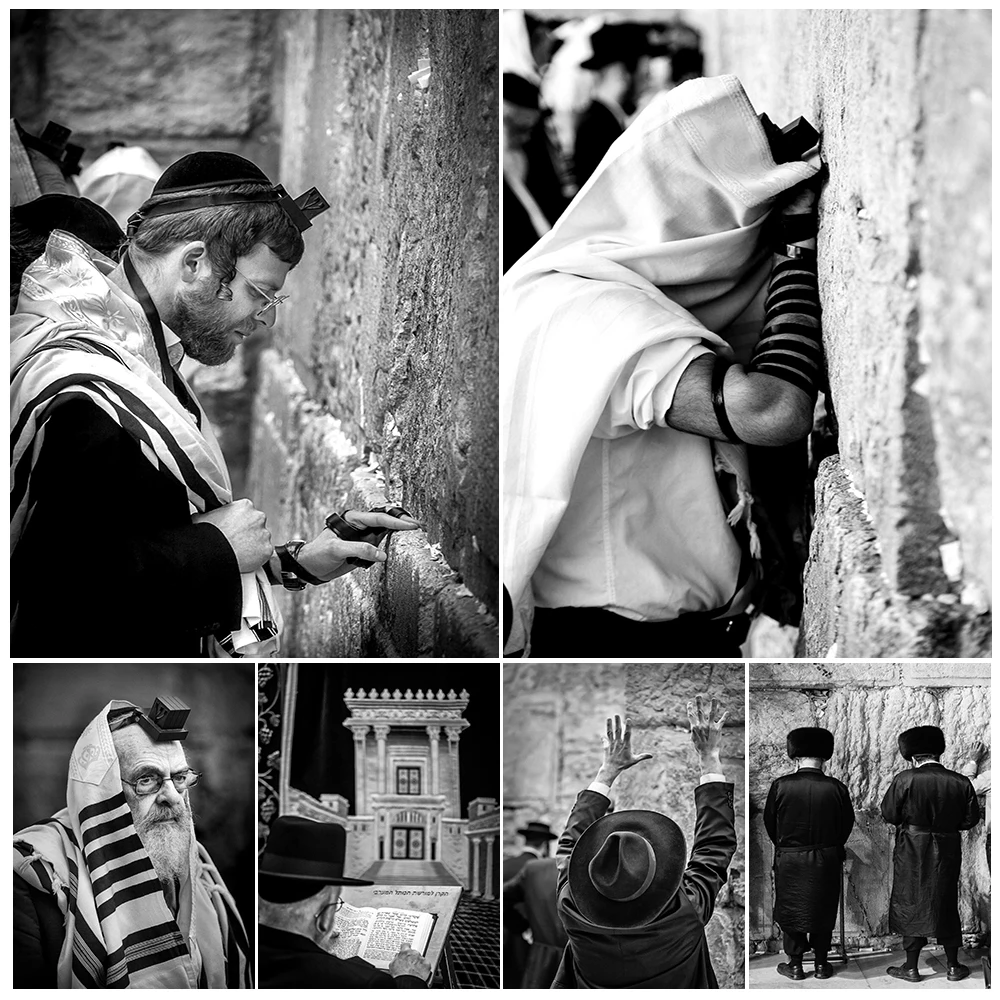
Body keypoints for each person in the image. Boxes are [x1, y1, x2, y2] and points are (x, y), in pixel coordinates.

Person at [11, 150, 420, 657]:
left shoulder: (133, 351)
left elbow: (136, 543)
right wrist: (217, 550)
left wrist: (292, 562)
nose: (265, 320)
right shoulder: (84, 394)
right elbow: (56, 593)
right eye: (260, 294)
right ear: (195, 263)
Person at [502, 75, 824, 657]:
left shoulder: (556, 290)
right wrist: (796, 254)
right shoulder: (599, 314)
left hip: (627, 629)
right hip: (620, 639)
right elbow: (769, 410)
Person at [13, 698, 251, 988]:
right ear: (102, 793)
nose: (173, 797)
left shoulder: (199, 871)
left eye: (179, 778)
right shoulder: (30, 874)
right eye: (147, 780)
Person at [551, 700, 736, 988]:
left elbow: (568, 848)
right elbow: (715, 847)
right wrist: (709, 756)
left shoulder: (571, 907)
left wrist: (607, 771)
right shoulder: (686, 910)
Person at [258, 815, 432, 988]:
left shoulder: (240, 952)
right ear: (324, 919)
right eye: (336, 904)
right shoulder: (365, 984)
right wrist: (409, 979)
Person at [881, 725, 981, 983]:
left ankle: (911, 968)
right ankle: (952, 966)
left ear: (913, 756)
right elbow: (970, 819)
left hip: (912, 848)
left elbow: (890, 814)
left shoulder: (905, 779)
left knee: (912, 900)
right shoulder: (960, 781)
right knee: (944, 901)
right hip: (947, 848)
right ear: (938, 752)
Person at [763, 727, 855, 980]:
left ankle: (795, 965)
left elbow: (770, 823)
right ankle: (823, 964)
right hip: (826, 858)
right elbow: (847, 823)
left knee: (791, 910)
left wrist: (786, 846)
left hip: (791, 858)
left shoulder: (781, 785)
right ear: (825, 756)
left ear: (795, 755)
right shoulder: (837, 787)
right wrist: (832, 847)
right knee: (823, 909)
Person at [573, 24, 664, 187]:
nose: (648, 79)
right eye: (644, 70)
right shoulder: (597, 129)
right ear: (622, 71)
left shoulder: (606, 122)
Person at [503, 818, 557, 987]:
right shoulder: (541, 869)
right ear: (544, 844)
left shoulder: (506, 864)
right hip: (532, 938)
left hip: (506, 932)